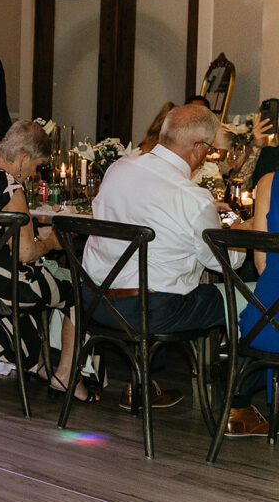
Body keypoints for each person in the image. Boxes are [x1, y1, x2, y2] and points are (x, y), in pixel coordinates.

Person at [83, 104, 248, 413]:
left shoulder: (118, 169)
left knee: (155, 274)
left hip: (96, 302)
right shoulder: (192, 198)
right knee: (245, 298)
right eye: (210, 149)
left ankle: (139, 385)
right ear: (198, 148)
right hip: (151, 313)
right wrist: (241, 232)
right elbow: (225, 263)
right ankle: (238, 406)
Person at [0, 120, 99, 402]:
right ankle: (66, 375)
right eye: (36, 166)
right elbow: (26, 253)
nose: (33, 174)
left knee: (35, 278)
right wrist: (53, 241)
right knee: (77, 289)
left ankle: (39, 365)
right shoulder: (9, 185)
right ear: (24, 158)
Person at [226, 172, 279, 436]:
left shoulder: (268, 182)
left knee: (255, 307)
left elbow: (260, 265)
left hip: (265, 328)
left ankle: (239, 406)